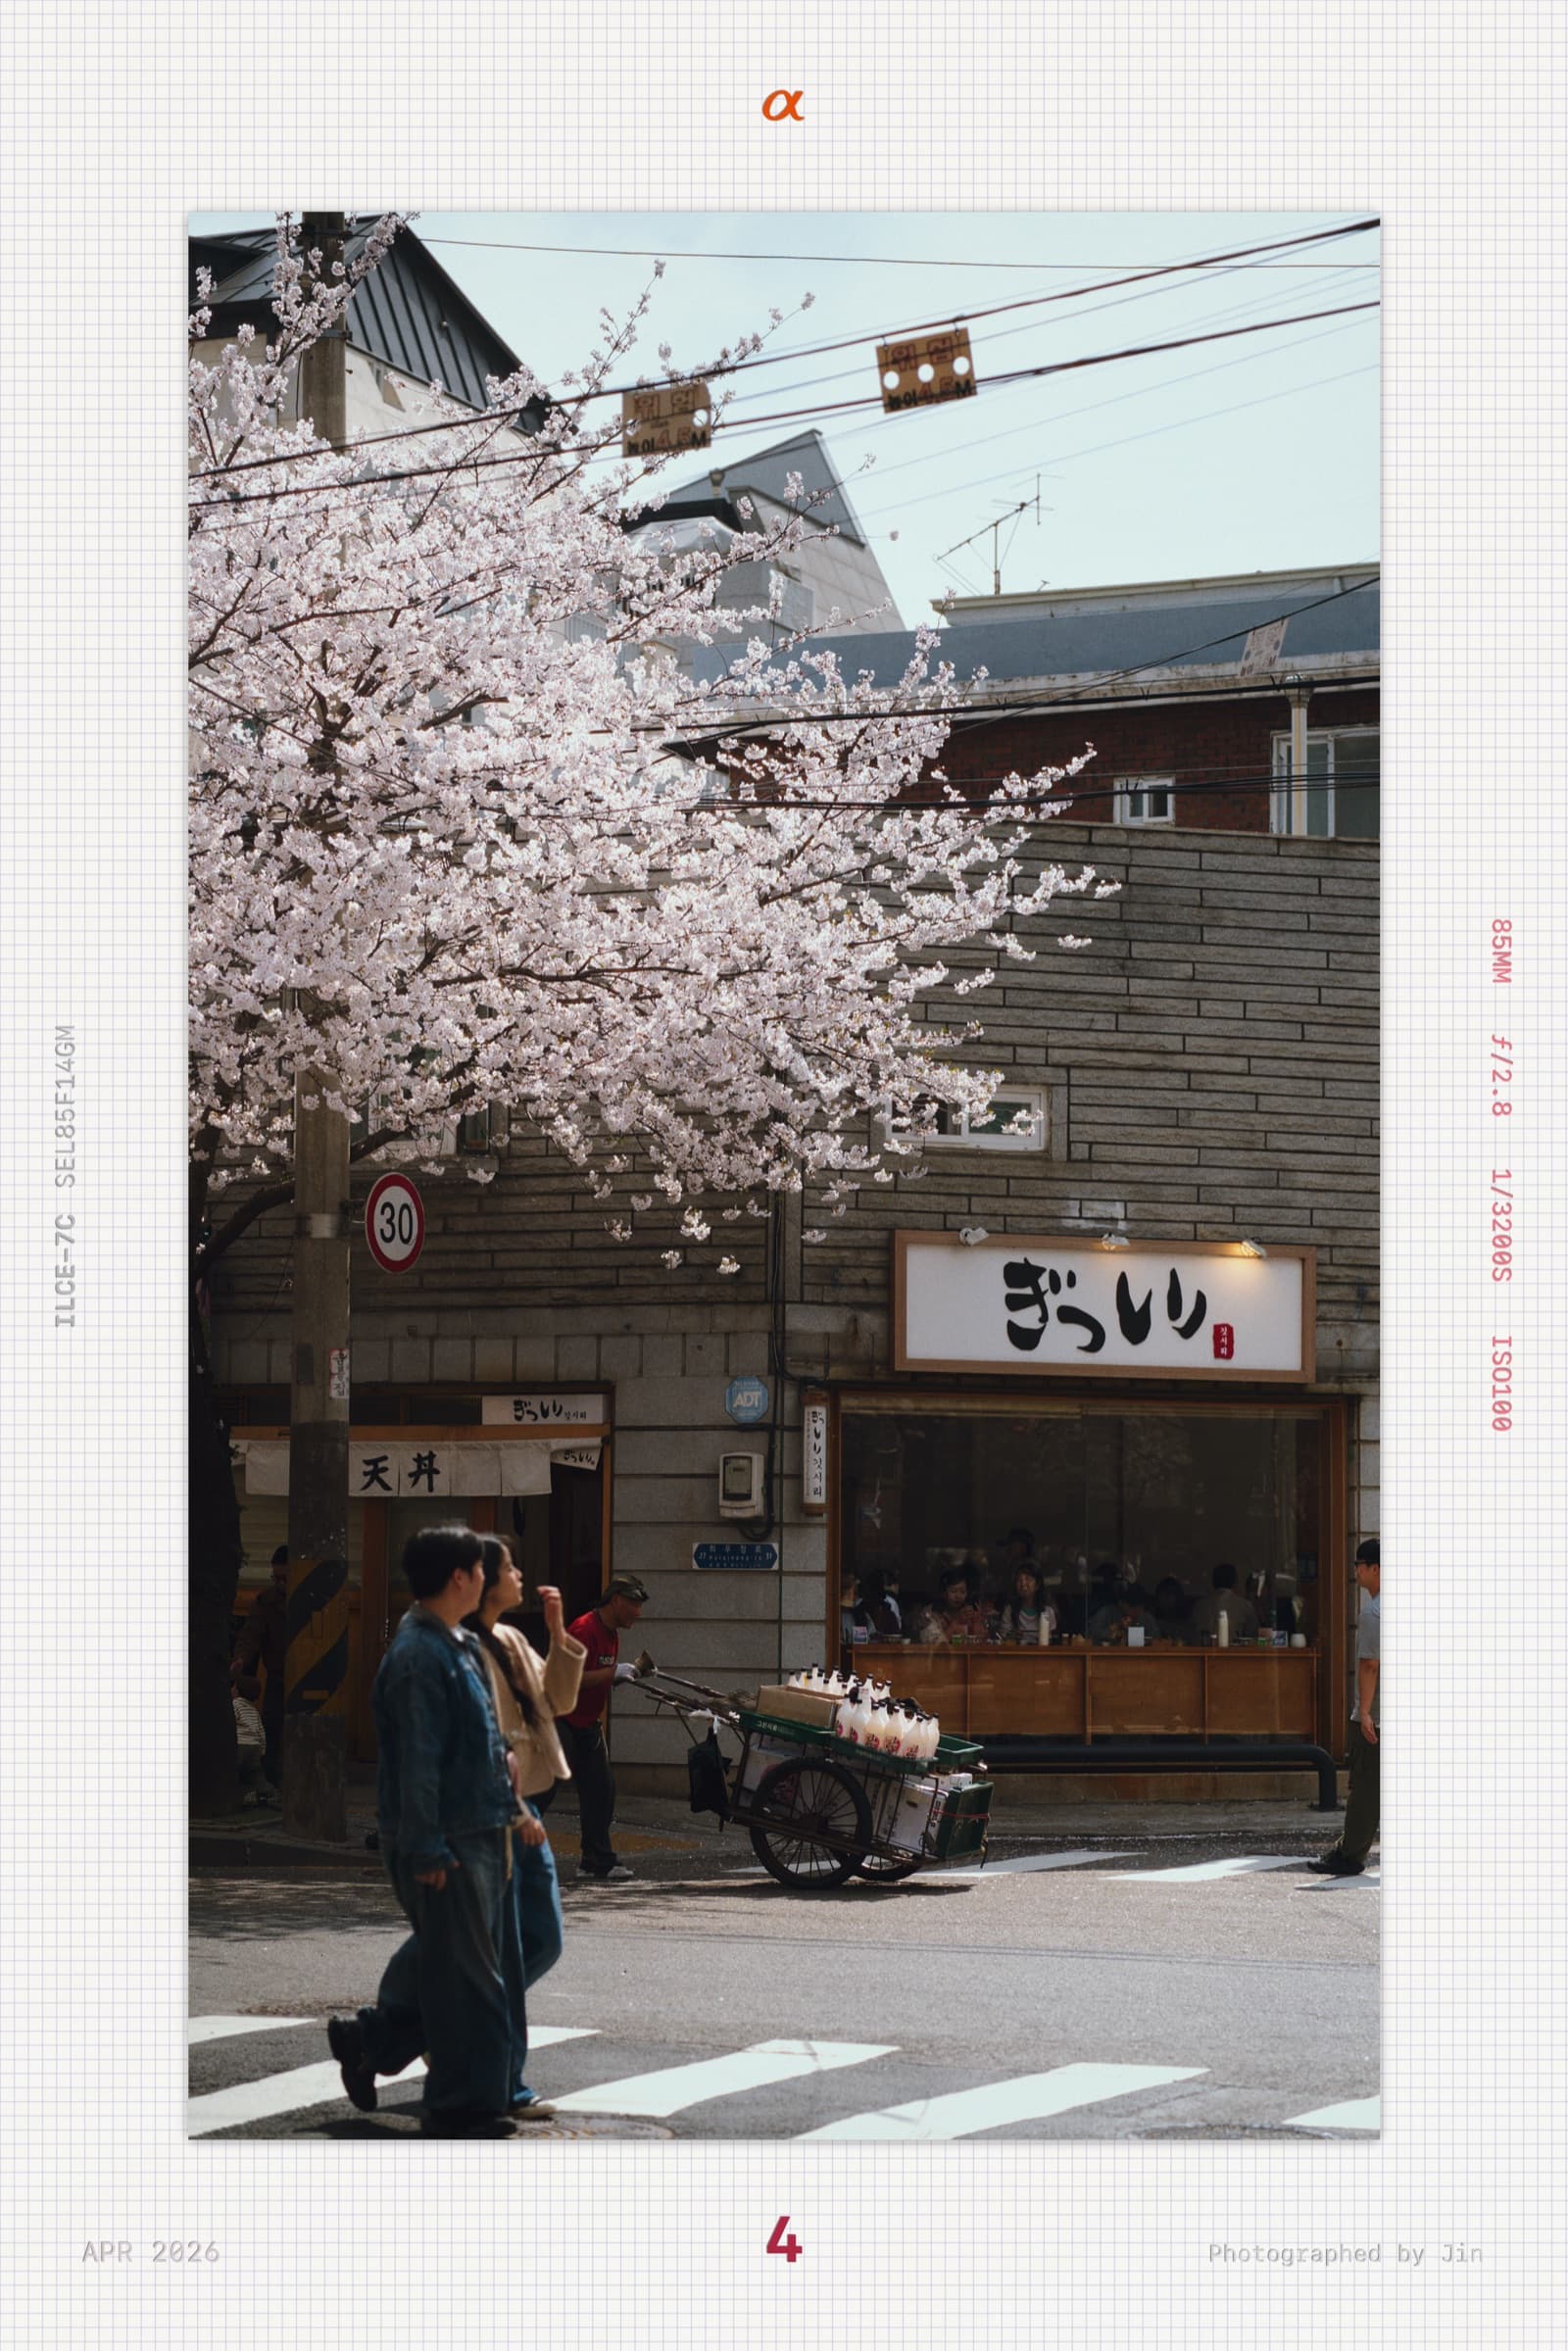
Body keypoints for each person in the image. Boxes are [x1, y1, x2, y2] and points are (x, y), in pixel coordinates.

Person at [327, 1526, 519, 2137]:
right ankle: (464, 2103)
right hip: (452, 1841)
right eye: (479, 1570)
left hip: (479, 1830)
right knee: (468, 1981)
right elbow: (418, 1760)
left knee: (466, 1972)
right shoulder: (418, 1655)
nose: (487, 1577)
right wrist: (427, 1846)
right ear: (459, 1578)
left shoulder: (454, 1641)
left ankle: (388, 2053)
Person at [466, 1536, 585, 2119]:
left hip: (529, 1807)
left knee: (543, 1939)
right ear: (482, 1580)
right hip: (502, 1811)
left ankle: (421, 2023)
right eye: (510, 1567)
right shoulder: (460, 1648)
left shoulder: (511, 1638)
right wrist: (511, 1808)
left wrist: (558, 1631)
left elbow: (558, 1702)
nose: (520, 1575)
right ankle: (505, 2081)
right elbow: (481, 1745)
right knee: (507, 1953)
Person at [551, 1575, 650, 1884]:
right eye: (633, 1604)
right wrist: (611, 1673)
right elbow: (568, 1679)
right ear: (616, 1601)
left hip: (588, 1723)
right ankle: (507, 1850)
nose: (638, 1611)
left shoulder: (612, 1632)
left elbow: (598, 1676)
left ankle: (596, 1861)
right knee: (542, 1789)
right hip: (561, 1719)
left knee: (601, 1792)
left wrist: (619, 1676)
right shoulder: (583, 1630)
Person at [1311, 1539, 1380, 1877]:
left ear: (1374, 1569)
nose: (1355, 1571)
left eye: (1359, 1564)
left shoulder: (1373, 1612)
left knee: (1366, 1789)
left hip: (1378, 1717)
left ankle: (1350, 1854)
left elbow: (1369, 1665)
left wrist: (1364, 1712)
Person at [231, 1544, 289, 1787]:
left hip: (293, 1672)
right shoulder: (266, 1602)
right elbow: (251, 1634)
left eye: (285, 1578)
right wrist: (241, 1658)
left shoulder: (306, 1601)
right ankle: (272, 1778)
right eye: (276, 1578)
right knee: (272, 1728)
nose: (280, 1584)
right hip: (278, 1673)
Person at [1191, 1563, 1259, 1642]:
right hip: (1234, 1653)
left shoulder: (1199, 1606)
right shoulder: (1245, 1606)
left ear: (1213, 1582)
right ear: (1235, 1582)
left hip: (1204, 1653)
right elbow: (1253, 1637)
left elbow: (1192, 1635)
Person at [995, 1562, 1055, 1645]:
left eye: (1028, 1579)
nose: (1023, 1584)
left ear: (1037, 1585)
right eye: (1019, 1580)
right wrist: (1012, 1636)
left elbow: (1052, 1640)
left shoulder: (1047, 1611)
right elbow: (1002, 1637)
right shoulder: (1010, 1610)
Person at [932, 1568, 990, 1643]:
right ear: (944, 1593)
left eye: (963, 1592)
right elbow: (935, 1645)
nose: (958, 1596)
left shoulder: (970, 1614)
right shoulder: (933, 1614)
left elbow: (984, 1644)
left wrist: (976, 1622)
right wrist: (956, 1621)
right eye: (953, 1591)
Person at [1152, 1575, 1193, 1641]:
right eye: (1161, 1594)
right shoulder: (1152, 1622)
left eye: (1168, 1594)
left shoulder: (1188, 1625)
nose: (1164, 1598)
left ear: (1178, 1596)